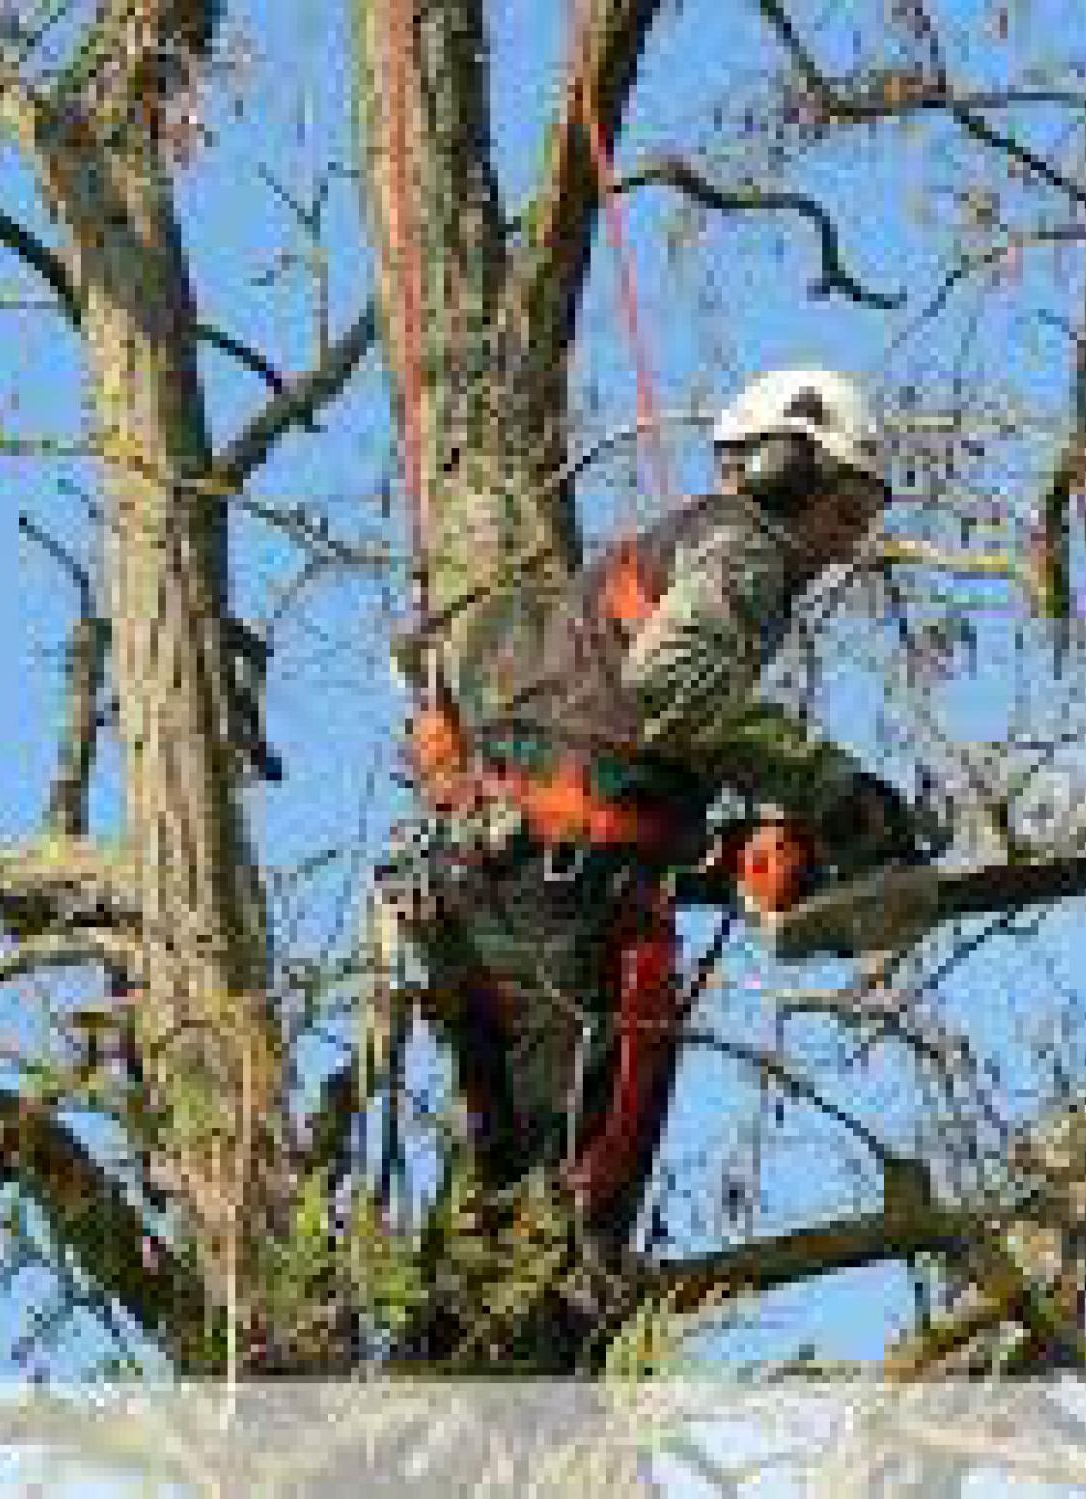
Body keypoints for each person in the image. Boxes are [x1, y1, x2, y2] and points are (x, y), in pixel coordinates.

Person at [385, 368, 930, 1250]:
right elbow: (672, 687)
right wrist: (831, 787)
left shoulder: (642, 569)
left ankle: (464, 1355)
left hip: (495, 891)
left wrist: (726, 850)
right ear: (782, 469)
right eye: (844, 511)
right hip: (570, 913)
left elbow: (608, 764)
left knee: (501, 1190)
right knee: (575, 1205)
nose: (847, 544)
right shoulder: (744, 549)